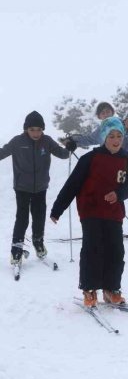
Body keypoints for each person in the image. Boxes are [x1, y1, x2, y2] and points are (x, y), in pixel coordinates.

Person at [50, 117, 128, 308]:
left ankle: (111, 289)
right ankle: (89, 289)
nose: (115, 140)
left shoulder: (125, 159)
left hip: (114, 213)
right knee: (93, 249)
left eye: (119, 136)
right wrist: (58, 209)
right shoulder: (90, 158)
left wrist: (119, 194)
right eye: (111, 136)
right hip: (91, 211)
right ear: (104, 137)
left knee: (116, 251)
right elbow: (72, 185)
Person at [0, 111, 73, 266]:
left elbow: (62, 154)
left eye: (39, 129)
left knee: (39, 217)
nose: (36, 133)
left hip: (41, 188)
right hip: (22, 188)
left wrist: (70, 147)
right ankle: (16, 250)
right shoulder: (17, 141)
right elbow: (2, 152)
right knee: (22, 218)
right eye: (32, 129)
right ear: (26, 129)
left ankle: (38, 243)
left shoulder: (46, 141)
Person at [64, 102, 128, 161]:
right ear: (99, 116)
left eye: (108, 111)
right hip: (106, 166)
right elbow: (89, 139)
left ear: (112, 112)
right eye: (103, 113)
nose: (106, 114)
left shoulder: (123, 125)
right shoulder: (101, 130)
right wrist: (72, 140)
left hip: (125, 167)